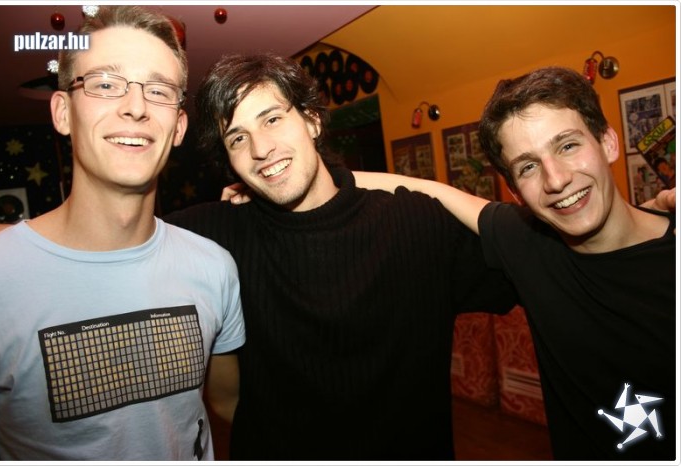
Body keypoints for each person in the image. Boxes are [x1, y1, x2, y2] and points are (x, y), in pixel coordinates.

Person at [164, 52, 519, 460]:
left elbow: (537, 250)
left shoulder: (416, 223)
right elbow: (115, 237)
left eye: (272, 119)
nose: (260, 148)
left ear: (313, 120)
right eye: (237, 138)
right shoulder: (215, 237)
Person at [354, 66, 676, 460]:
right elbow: (426, 191)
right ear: (516, 192)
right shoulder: (528, 243)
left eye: (567, 146)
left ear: (607, 142)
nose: (555, 179)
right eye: (528, 166)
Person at [0, 6, 245, 461]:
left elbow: (229, 406)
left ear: (178, 127)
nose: (136, 107)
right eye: (105, 84)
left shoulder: (214, 267)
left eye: (159, 90)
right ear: (63, 112)